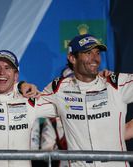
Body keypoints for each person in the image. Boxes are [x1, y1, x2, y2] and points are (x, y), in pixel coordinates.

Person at [38, 34, 133, 166]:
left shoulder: (116, 83)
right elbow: (26, 107)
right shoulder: (59, 89)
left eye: (97, 53)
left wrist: (126, 129)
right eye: (88, 53)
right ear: (72, 58)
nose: (95, 58)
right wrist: (20, 86)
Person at [0, 50, 56, 167]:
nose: (2, 72)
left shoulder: (29, 101)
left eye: (7, 68)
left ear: (16, 76)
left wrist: (19, 86)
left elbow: (62, 103)